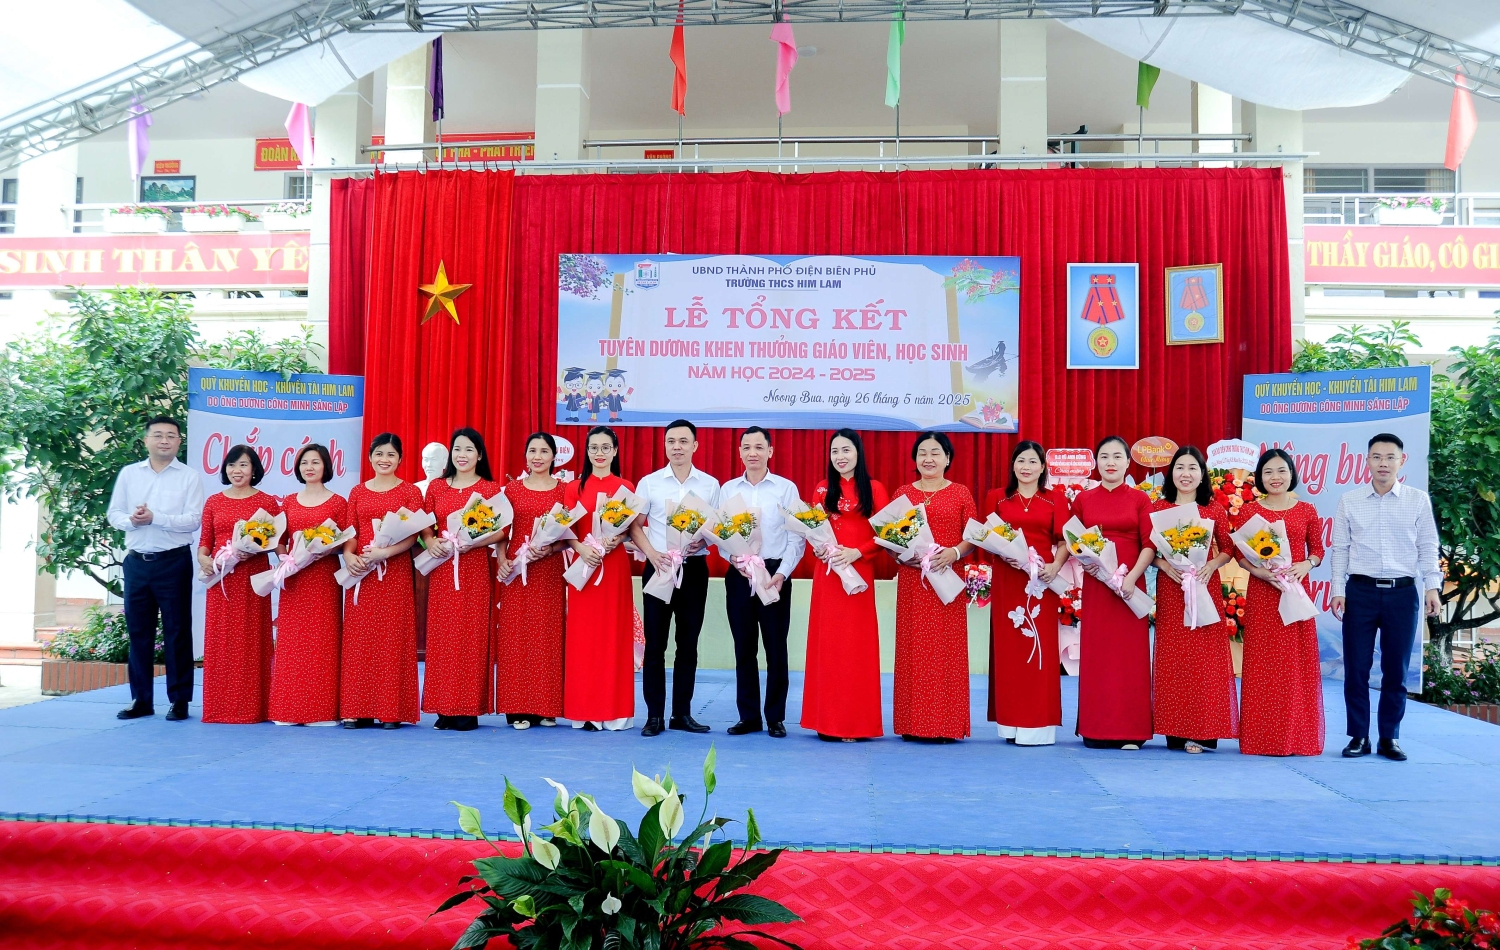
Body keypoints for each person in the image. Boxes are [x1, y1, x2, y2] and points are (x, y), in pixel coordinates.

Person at [1330, 433, 1442, 762]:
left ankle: (1389, 737)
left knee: (1396, 669)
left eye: (1390, 457)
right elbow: (1340, 549)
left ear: (1401, 461)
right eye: (1376, 457)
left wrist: (1432, 586)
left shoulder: (1417, 500)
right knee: (1356, 668)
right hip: (1360, 592)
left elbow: (1428, 546)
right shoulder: (1350, 500)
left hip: (1403, 593)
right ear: (1367, 461)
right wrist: (1338, 590)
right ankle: (1359, 736)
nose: (1383, 463)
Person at [107, 416, 204, 722]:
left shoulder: (189, 476)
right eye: (158, 435)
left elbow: (193, 520)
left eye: (171, 436)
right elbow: (114, 513)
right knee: (139, 633)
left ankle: (180, 700)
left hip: (173, 562)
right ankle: (141, 700)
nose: (164, 440)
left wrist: (156, 518)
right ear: (146, 440)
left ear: (179, 442)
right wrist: (132, 521)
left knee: (177, 632)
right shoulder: (129, 474)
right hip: (136, 562)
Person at [629, 419, 721, 737]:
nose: (677, 447)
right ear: (665, 445)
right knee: (655, 644)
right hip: (659, 567)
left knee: (688, 644)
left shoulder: (710, 485)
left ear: (695, 445)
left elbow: (718, 527)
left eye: (683, 441)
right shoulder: (650, 483)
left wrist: (704, 540)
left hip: (693, 569)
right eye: (671, 441)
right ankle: (654, 715)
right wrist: (652, 554)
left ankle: (682, 713)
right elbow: (635, 525)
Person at [1234, 448, 1325, 757]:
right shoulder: (1249, 512)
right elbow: (1240, 555)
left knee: (1295, 665)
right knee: (1263, 665)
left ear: (1291, 474)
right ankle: (1261, 738)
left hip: (1295, 592)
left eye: (1281, 471)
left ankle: (1296, 737)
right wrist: (1259, 571)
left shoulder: (1306, 510)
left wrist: (1307, 564)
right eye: (1268, 472)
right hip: (1264, 593)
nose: (1275, 477)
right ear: (1260, 477)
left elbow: (1318, 550)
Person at [1069, 435, 1156, 750]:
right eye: (1104, 456)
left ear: (1127, 463)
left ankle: (1131, 731)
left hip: (1130, 585)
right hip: (1097, 585)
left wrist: (1132, 577)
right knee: (1098, 654)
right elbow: (1073, 540)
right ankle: (1096, 728)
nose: (1110, 462)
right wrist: (1086, 563)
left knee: (1130, 656)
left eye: (1117, 456)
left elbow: (1149, 544)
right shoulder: (1084, 500)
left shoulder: (1140, 499)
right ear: (1096, 462)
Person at [1149, 445, 1238, 753]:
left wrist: (1212, 565)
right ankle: (1174, 729)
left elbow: (1228, 548)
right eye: (1180, 467)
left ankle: (1204, 731)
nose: (1185, 474)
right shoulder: (1158, 509)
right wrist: (1164, 565)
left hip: (1203, 586)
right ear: (1171, 473)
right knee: (1174, 658)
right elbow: (1148, 550)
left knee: (1204, 661)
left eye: (1192, 468)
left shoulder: (1213, 510)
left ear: (1202, 475)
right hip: (1172, 588)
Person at [802, 429, 889, 742]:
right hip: (828, 576)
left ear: (858, 453)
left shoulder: (874, 489)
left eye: (846, 450)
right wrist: (819, 549)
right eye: (835, 451)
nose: (840, 456)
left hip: (858, 576)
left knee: (856, 648)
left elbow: (887, 533)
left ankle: (855, 724)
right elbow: (813, 531)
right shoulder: (822, 488)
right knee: (828, 646)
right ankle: (826, 722)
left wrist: (858, 552)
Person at [982, 441, 1071, 747]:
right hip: (1008, 580)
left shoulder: (1055, 499)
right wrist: (1001, 553)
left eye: (1033, 461)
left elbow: (1065, 541)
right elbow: (985, 536)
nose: (1026, 467)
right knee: (1009, 652)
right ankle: (1009, 723)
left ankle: (1037, 725)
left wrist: (1055, 565)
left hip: (1041, 580)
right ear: (1013, 465)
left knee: (1040, 652)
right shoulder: (998, 497)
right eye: (1021, 461)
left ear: (1043, 467)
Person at [719, 426, 805, 739]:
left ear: (770, 451)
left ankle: (776, 717)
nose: (752, 452)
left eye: (759, 447)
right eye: (746, 447)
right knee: (743, 648)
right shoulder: (728, 489)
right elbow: (720, 533)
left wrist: (783, 572)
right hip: (740, 574)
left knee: (775, 648)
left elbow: (796, 536)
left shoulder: (785, 489)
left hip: (774, 575)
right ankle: (749, 717)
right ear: (739, 452)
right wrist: (733, 558)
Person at [893, 431, 977, 743]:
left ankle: (946, 725)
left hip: (947, 579)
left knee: (946, 652)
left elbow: (973, 536)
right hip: (914, 581)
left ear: (948, 458)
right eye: (922, 453)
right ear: (915, 459)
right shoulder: (903, 493)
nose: (928, 459)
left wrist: (954, 552)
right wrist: (903, 555)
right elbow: (890, 537)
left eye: (935, 452)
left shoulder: (961, 493)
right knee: (913, 651)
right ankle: (911, 723)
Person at [422, 427, 504, 732]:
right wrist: (430, 540)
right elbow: (425, 522)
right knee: (443, 638)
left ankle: (468, 709)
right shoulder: (437, 487)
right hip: (443, 568)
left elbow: (502, 530)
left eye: (469, 449)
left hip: (474, 568)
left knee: (471, 637)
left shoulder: (489, 488)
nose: (462, 455)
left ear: (479, 455)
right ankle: (443, 707)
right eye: (457, 449)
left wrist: (475, 541)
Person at [339, 433, 423, 729]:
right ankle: (357, 708)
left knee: (392, 639)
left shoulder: (410, 492)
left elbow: (413, 534)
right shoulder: (357, 492)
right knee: (359, 641)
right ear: (370, 457)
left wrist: (384, 552)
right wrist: (349, 556)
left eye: (390, 454)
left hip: (394, 573)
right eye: (379, 454)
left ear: (400, 459)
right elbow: (350, 531)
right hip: (362, 572)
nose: (384, 459)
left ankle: (391, 709)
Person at [197, 444, 280, 725]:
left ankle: (253, 708)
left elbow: (276, 543)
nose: (237, 470)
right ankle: (219, 707)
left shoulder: (267, 503)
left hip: (252, 580)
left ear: (254, 469)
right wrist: (204, 559)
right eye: (232, 465)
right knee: (222, 642)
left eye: (243, 465)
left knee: (251, 640)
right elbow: (205, 543)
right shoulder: (214, 502)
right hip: (220, 581)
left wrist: (254, 550)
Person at [266, 444, 347, 727]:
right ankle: (288, 709)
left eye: (315, 462)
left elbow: (346, 540)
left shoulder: (338, 502)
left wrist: (327, 550)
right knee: (292, 642)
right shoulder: (289, 501)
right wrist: (285, 558)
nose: (309, 467)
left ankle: (320, 710)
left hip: (324, 578)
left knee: (323, 640)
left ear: (326, 466)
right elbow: (278, 538)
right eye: (304, 463)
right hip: (295, 577)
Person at [562, 426, 636, 731]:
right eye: (594, 447)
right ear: (587, 451)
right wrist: (581, 548)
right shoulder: (574, 488)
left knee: (613, 637)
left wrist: (617, 539)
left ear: (615, 451)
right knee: (584, 639)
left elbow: (631, 529)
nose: (600, 453)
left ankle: (614, 711)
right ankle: (585, 710)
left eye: (606, 447)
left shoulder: (625, 487)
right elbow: (565, 528)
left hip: (614, 568)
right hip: (584, 567)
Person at [495, 432, 568, 729]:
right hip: (517, 569)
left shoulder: (564, 491)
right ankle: (517, 707)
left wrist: (551, 548)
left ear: (554, 457)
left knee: (547, 636)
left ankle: (546, 706)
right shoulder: (512, 489)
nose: (537, 457)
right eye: (532, 451)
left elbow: (570, 535)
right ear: (525, 455)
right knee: (516, 637)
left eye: (544, 451)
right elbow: (500, 530)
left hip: (548, 570)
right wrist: (502, 559)